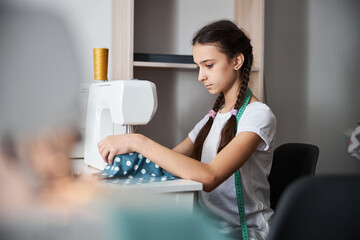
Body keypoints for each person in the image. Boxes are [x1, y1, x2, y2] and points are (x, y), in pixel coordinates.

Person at [98, 20, 276, 240]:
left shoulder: (257, 116)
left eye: (208, 65)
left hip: (242, 233)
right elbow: (173, 159)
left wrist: (137, 141)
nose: (200, 76)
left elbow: (209, 176)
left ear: (237, 61)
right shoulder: (213, 117)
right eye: (198, 67)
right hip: (208, 227)